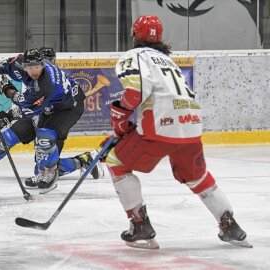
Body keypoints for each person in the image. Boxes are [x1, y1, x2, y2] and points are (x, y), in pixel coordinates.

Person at [101, 15, 251, 249]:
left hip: (159, 125)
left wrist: (119, 123)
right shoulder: (168, 61)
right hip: (190, 123)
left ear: (134, 35)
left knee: (115, 162)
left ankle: (140, 225)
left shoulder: (134, 56)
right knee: (197, 177)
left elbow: (134, 94)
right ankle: (230, 225)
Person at [0, 48, 103, 192]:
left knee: (44, 142)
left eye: (37, 67)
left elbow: (28, 107)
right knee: (7, 137)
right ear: (24, 65)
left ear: (43, 65)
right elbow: (7, 65)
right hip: (41, 110)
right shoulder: (22, 64)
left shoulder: (47, 84)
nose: (34, 71)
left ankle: (82, 161)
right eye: (30, 67)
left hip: (65, 109)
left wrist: (8, 106)